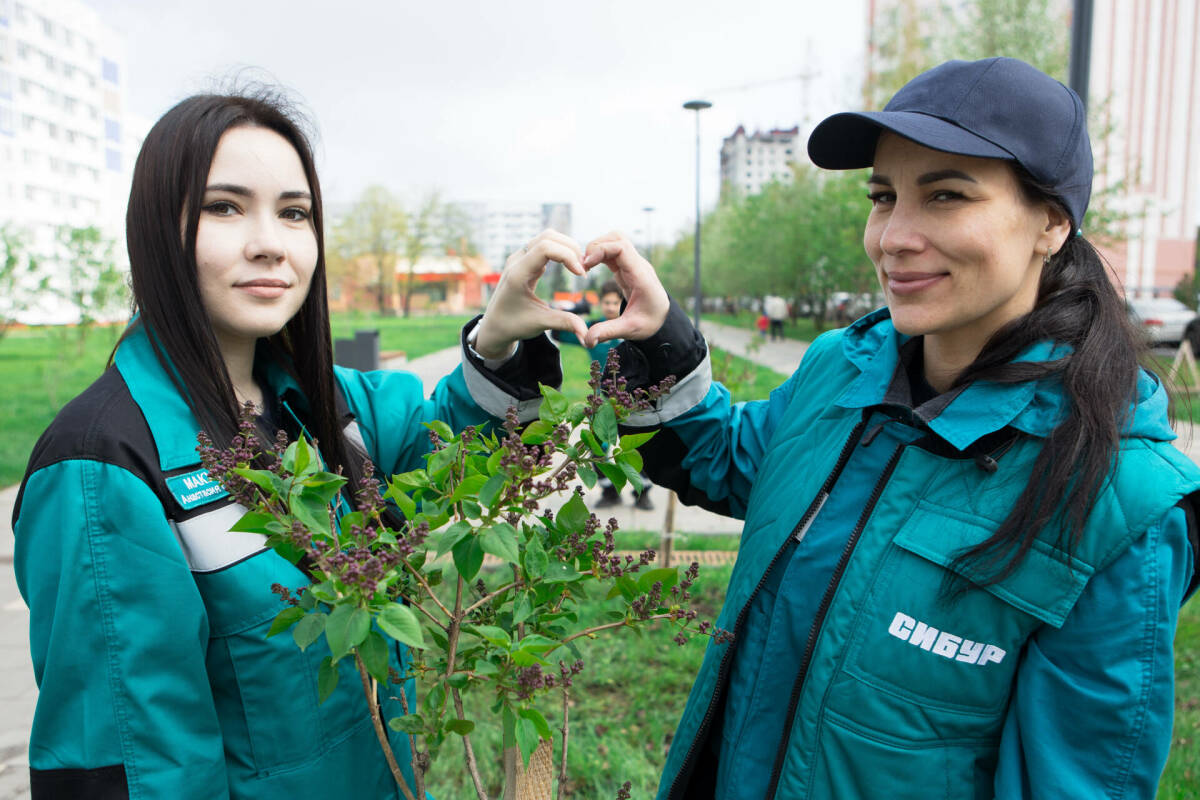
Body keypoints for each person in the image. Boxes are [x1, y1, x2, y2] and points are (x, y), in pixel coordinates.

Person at [559, 58, 1200, 798]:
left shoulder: (1119, 502)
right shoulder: (840, 369)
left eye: (947, 195)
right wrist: (660, 336)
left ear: (1051, 222)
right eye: (883, 196)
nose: (893, 236)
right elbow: (733, 462)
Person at [12, 89, 586, 799]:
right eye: (224, 206)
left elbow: (462, 455)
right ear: (158, 230)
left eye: (294, 212)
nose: (270, 242)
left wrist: (497, 340)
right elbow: (134, 770)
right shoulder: (105, 469)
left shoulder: (331, 406)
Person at [553, 280, 655, 509]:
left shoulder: (632, 328)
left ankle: (643, 492)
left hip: (633, 397)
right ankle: (609, 492)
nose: (610, 307)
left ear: (623, 303)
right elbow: (558, 332)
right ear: (601, 302)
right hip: (601, 397)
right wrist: (576, 312)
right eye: (607, 302)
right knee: (597, 444)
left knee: (638, 445)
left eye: (615, 302)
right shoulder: (593, 327)